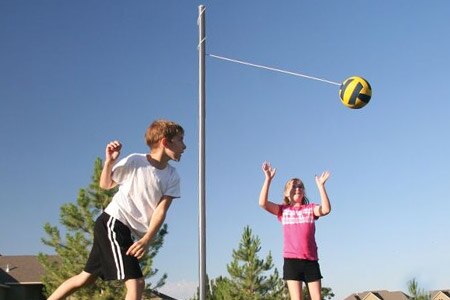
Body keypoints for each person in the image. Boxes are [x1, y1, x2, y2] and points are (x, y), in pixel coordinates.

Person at [48, 119, 186, 300]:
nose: (184, 146)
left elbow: (161, 210)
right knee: (136, 283)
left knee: (85, 278)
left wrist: (147, 239)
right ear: (165, 142)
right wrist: (109, 162)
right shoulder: (136, 161)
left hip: (124, 230)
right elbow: (105, 184)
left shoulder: (172, 176)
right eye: (180, 140)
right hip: (113, 222)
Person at [258, 161, 331, 300]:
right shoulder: (283, 211)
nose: (297, 188)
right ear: (286, 193)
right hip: (292, 261)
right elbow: (262, 203)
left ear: (303, 191)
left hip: (311, 261)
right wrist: (268, 179)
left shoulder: (310, 209)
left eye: (300, 186)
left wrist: (321, 186)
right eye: (293, 186)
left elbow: (326, 209)